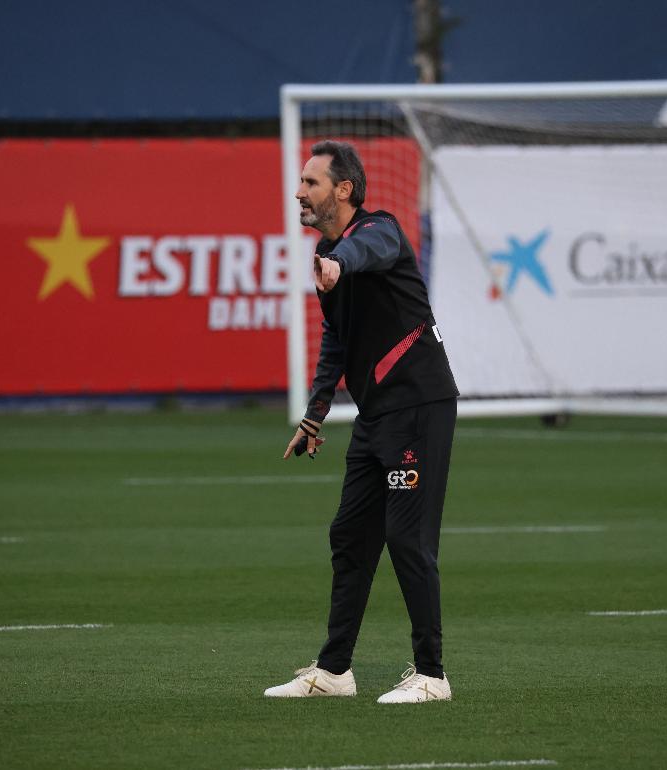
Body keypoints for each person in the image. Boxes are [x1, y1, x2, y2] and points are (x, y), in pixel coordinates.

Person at [264, 141, 459, 704]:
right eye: (301, 182)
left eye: (311, 182)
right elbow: (338, 340)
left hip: (419, 408)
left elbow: (366, 250)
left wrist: (337, 264)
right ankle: (334, 671)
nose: (299, 191)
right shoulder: (328, 254)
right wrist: (314, 415)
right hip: (377, 416)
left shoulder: (380, 232)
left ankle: (432, 675)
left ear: (343, 190)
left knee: (406, 537)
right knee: (350, 536)